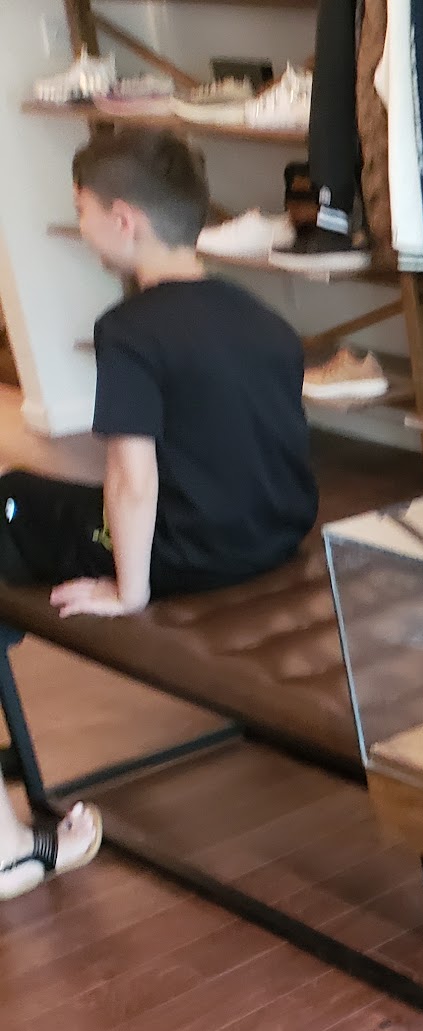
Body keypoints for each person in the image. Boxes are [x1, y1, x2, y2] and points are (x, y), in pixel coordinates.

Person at [0, 126, 319, 900]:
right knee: (22, 492)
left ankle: (6, 849)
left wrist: (129, 589)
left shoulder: (130, 330)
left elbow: (131, 481)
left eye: (81, 209)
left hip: (185, 554)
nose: (79, 224)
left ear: (124, 219)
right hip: (272, 540)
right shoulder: (262, 319)